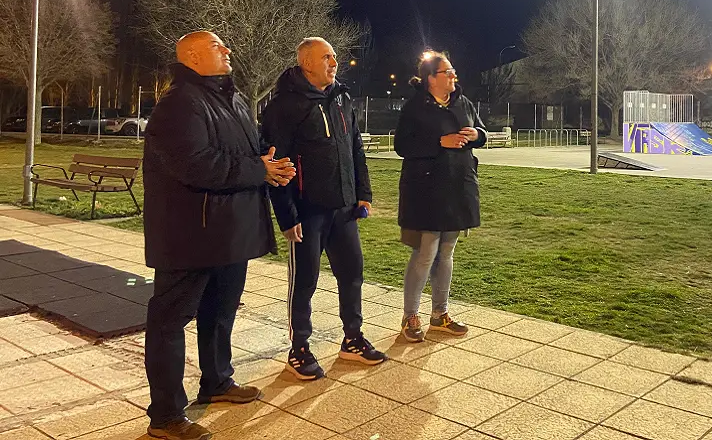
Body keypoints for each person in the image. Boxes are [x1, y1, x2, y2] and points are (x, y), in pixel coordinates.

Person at [142, 31, 295, 440]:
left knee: (220, 313)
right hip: (189, 236)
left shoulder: (235, 98)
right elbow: (196, 165)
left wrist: (272, 163)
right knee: (170, 322)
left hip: (230, 232)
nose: (228, 50)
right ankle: (167, 415)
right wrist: (259, 169)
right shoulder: (179, 103)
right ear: (192, 56)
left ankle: (217, 381)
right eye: (217, 46)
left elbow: (251, 151)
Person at [261, 37, 387, 381]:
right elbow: (276, 165)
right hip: (307, 211)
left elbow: (355, 148)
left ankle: (353, 339)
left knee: (352, 274)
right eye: (327, 57)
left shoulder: (342, 97)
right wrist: (287, 216)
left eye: (334, 57)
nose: (334, 62)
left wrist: (363, 193)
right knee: (304, 281)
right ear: (307, 64)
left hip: (344, 208)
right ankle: (299, 348)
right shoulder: (284, 107)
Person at [394, 51, 486, 342]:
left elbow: (481, 130)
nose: (453, 76)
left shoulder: (463, 102)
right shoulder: (415, 107)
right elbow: (402, 145)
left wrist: (477, 135)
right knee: (425, 253)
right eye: (447, 72)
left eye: (453, 71)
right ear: (431, 79)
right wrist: (438, 142)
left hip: (459, 186)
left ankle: (439, 314)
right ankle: (410, 316)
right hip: (427, 190)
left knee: (447, 251)